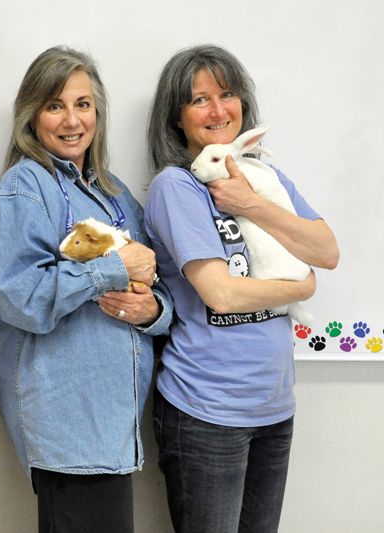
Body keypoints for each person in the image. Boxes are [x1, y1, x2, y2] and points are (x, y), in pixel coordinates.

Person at [144, 44, 340, 533]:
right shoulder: (177, 187)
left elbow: (328, 252)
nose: (217, 110)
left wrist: (252, 205)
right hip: (205, 410)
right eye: (199, 100)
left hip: (275, 405)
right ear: (177, 119)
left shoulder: (267, 178)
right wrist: (300, 286)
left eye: (226, 95)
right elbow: (222, 294)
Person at [0, 46, 173, 533]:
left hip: (112, 427)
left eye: (83, 104)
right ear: (31, 116)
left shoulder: (115, 194)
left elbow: (159, 289)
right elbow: (20, 299)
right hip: (68, 427)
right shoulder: (24, 188)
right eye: (54, 105)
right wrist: (111, 269)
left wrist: (152, 310)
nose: (72, 120)